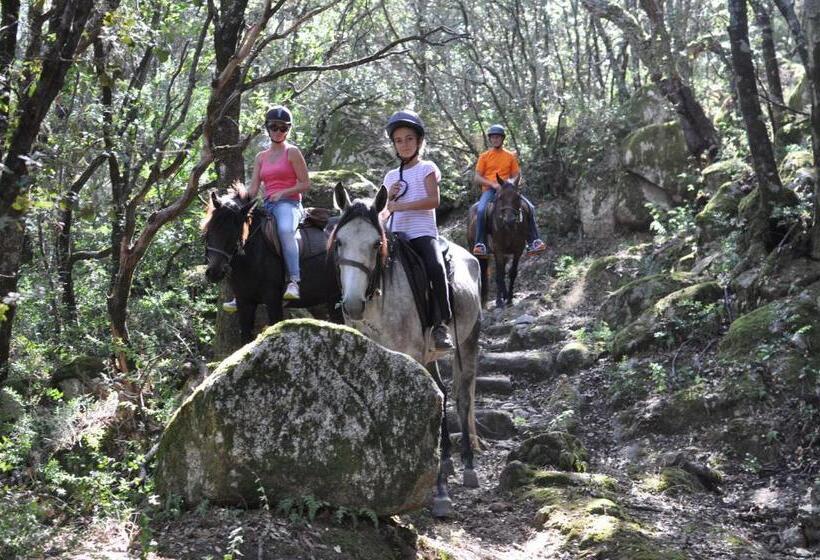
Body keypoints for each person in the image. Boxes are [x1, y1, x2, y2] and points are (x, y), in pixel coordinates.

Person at [223, 105, 310, 312]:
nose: (278, 131)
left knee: (285, 230)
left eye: (283, 127)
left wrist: (284, 192)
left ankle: (294, 281)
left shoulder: (292, 152)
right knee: (243, 238)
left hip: (289, 204)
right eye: (274, 127)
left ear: (288, 129)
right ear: (267, 128)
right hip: (268, 205)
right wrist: (234, 202)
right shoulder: (261, 157)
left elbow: (305, 183)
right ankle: (239, 292)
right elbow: (253, 189)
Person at [382, 109, 454, 351]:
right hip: (395, 235)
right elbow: (384, 211)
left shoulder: (427, 168)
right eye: (398, 140)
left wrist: (400, 205)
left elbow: (433, 200)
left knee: (435, 267)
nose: (404, 144)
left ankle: (441, 325)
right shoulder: (390, 176)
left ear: (419, 141)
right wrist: (388, 200)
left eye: (409, 139)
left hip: (421, 233)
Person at [472, 123, 546, 258]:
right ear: (490, 139)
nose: (495, 139)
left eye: (498, 137)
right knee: (481, 210)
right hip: (490, 190)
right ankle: (481, 244)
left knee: (530, 207)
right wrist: (493, 184)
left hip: (508, 190)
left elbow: (517, 175)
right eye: (493, 137)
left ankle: (534, 241)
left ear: (502, 139)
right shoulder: (484, 156)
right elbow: (477, 178)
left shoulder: (510, 156)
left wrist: (510, 184)